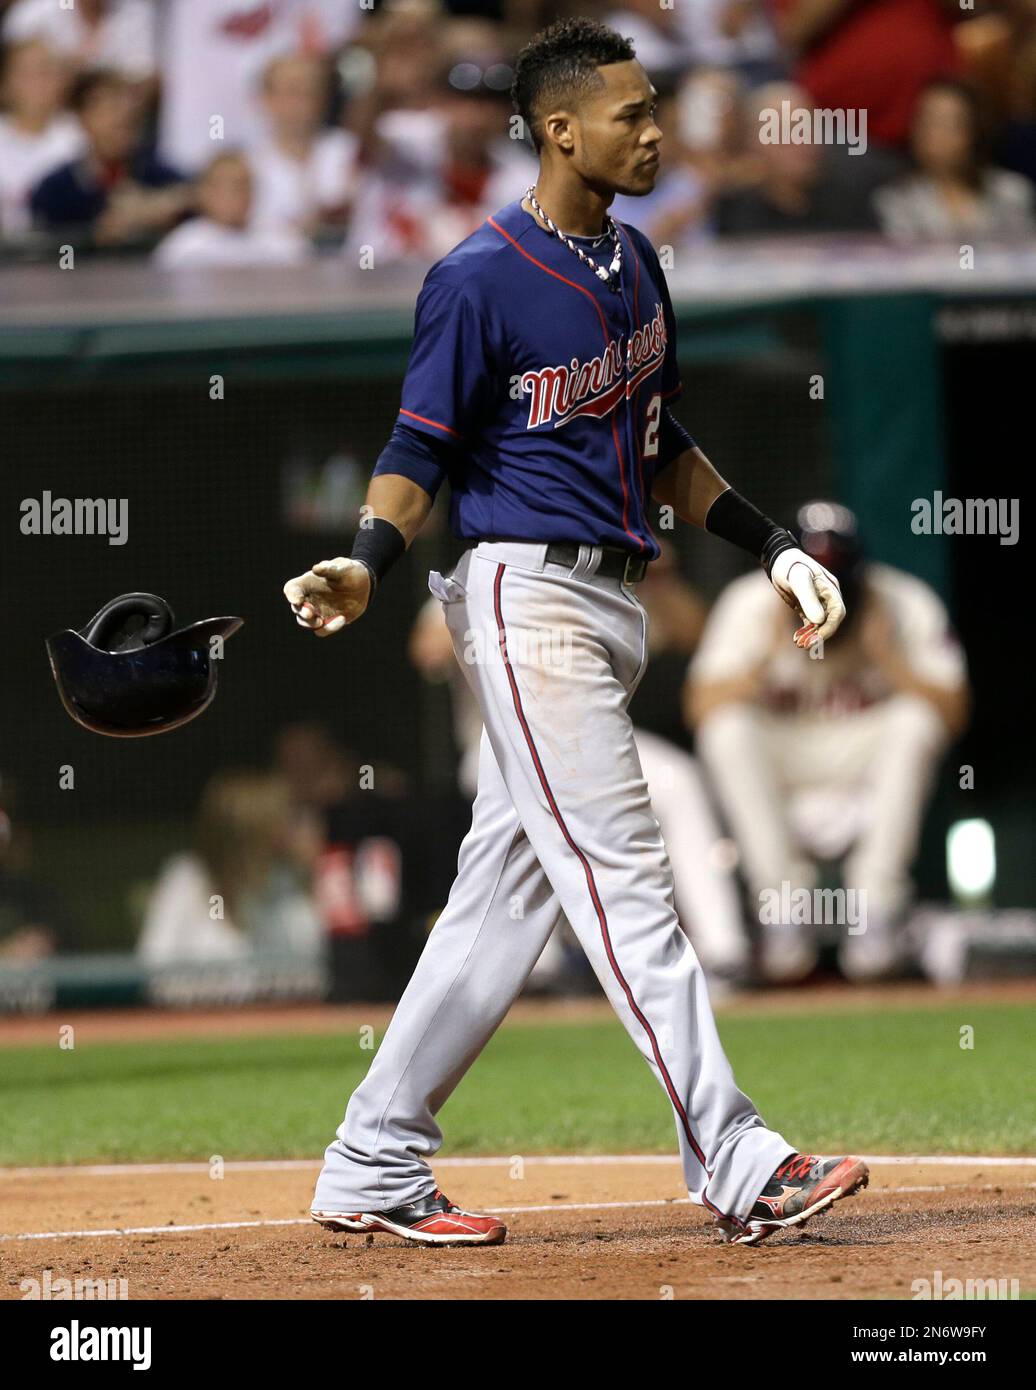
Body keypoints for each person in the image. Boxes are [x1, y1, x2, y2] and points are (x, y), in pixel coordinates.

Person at [284, 18, 868, 1251]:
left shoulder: (635, 263)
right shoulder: (477, 275)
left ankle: (372, 1159)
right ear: (560, 130)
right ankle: (738, 1155)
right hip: (524, 597)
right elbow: (416, 450)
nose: (655, 130)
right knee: (623, 875)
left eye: (653, 109)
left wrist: (770, 545)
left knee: (501, 898)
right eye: (632, 113)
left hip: (607, 600)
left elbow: (658, 446)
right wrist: (368, 559)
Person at [688, 501, 970, 983]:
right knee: (727, 730)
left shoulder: (901, 603)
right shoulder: (751, 604)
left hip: (863, 766)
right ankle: (783, 915)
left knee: (915, 720)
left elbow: (954, 711)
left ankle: (877, 913)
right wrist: (765, 655)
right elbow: (700, 706)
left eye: (835, 579)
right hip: (787, 764)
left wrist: (889, 660)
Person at [29, 68, 187, 246]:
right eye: (108, 107)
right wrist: (96, 232)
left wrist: (155, 206)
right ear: (82, 119)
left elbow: (199, 195)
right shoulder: (56, 189)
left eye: (126, 104)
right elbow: (47, 244)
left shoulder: (157, 175)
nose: (122, 116)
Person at [873, 78, 1036, 243]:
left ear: (973, 130)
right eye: (927, 120)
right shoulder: (896, 201)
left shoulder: (1011, 192)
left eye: (949, 123)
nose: (934, 133)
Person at [153, 150, 311, 269]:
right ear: (203, 193)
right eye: (221, 187)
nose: (231, 196)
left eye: (240, 186)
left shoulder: (282, 241)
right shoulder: (183, 248)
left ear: (253, 191)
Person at [0, 38, 82, 238]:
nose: (38, 85)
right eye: (27, 75)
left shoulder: (78, 136)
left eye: (45, 73)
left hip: (65, 252)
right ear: (6, 82)